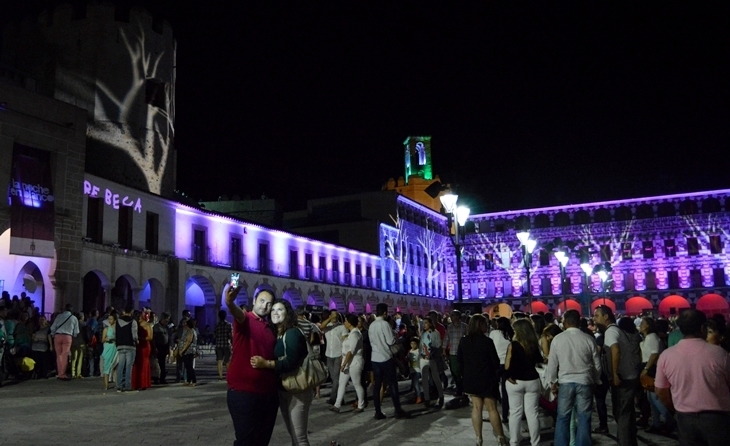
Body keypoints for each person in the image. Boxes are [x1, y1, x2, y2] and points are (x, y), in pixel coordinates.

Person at [655, 309, 730, 446]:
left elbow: (660, 391)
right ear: (703, 328)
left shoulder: (666, 356)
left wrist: (675, 409)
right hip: (717, 418)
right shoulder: (720, 354)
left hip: (685, 418)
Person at [251, 299, 311, 445]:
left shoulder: (292, 333)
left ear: (288, 313)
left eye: (280, 309)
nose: (275, 313)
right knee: (293, 434)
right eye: (273, 310)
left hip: (297, 389)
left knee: (299, 436)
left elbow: (291, 362)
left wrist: (266, 363)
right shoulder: (279, 333)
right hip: (285, 388)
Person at [225, 286, 278, 446]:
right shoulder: (246, 319)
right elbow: (238, 315)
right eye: (261, 301)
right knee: (246, 441)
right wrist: (229, 303)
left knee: (262, 441)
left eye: (269, 304)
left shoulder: (270, 328)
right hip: (244, 393)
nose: (264, 306)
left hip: (268, 394)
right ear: (254, 301)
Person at [545, 309, 602, 446]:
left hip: (565, 382)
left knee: (563, 417)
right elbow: (597, 364)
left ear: (564, 322)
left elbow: (552, 363)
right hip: (585, 380)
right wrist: (596, 379)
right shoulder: (588, 339)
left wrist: (552, 382)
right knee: (584, 417)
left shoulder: (558, 339)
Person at [594, 306, 641, 446]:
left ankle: (625, 442)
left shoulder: (611, 331)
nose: (594, 319)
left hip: (623, 379)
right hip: (629, 376)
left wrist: (614, 374)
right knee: (627, 413)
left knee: (622, 414)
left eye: (597, 316)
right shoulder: (616, 330)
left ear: (606, 317)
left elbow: (615, 349)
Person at [458, 314, 506, 446]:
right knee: (492, 408)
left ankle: (478, 438)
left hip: (471, 379)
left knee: (476, 408)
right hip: (487, 378)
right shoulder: (487, 341)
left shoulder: (464, 341)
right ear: (480, 325)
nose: (487, 326)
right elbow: (495, 362)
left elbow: (459, 361)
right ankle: (501, 437)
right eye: (485, 324)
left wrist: (465, 374)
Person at [504, 319, 542, 446]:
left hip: (515, 381)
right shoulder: (533, 344)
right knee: (532, 413)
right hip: (532, 380)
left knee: (515, 412)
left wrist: (508, 375)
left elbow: (507, 365)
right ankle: (535, 442)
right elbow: (539, 360)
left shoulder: (513, 345)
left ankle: (514, 441)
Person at [369, 303, 409, 420]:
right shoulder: (385, 324)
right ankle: (398, 409)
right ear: (385, 312)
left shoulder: (372, 325)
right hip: (386, 357)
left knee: (377, 386)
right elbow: (391, 341)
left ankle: (378, 411)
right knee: (392, 384)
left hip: (375, 358)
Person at [331, 313, 366, 413]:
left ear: (350, 323)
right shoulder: (351, 333)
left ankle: (361, 405)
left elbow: (351, 351)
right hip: (348, 362)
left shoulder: (355, 334)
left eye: (346, 321)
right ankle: (337, 405)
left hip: (354, 362)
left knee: (356, 384)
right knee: (342, 383)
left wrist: (344, 364)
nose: (344, 323)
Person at [321, 310, 348, 406]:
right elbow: (321, 327)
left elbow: (345, 341)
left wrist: (343, 355)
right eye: (333, 315)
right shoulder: (327, 326)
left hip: (338, 355)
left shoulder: (342, 327)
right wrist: (329, 318)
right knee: (333, 378)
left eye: (336, 315)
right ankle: (341, 398)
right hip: (329, 354)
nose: (334, 317)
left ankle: (333, 398)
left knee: (336, 378)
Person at [490, 316, 513, 421]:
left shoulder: (494, 333)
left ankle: (494, 411)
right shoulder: (511, 334)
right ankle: (505, 414)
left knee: (493, 388)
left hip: (496, 363)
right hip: (508, 363)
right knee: (505, 390)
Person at [49, 304, 79, 381]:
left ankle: (59, 373)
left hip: (58, 335)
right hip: (68, 337)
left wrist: (53, 334)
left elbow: (53, 327)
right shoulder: (74, 318)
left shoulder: (59, 316)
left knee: (59, 355)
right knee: (65, 355)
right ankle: (63, 373)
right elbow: (76, 332)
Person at [420, 318, 445, 408]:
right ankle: (427, 398)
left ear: (430, 324)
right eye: (423, 323)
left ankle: (441, 396)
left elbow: (438, 344)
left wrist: (432, 349)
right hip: (423, 358)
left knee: (436, 378)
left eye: (426, 323)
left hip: (433, 358)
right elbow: (421, 345)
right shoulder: (422, 333)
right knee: (424, 379)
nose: (424, 325)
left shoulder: (435, 333)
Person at [444, 310, 468, 397]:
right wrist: (444, 349)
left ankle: (464, 389)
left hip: (463, 352)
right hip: (453, 352)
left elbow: (468, 339)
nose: (452, 317)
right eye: (452, 315)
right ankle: (459, 388)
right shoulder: (449, 327)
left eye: (454, 315)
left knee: (463, 371)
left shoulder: (465, 326)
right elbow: (447, 338)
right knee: (454, 371)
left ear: (458, 316)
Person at [115, 305, 138, 393]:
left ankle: (119, 386)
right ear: (131, 312)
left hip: (120, 345)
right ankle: (128, 386)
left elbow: (115, 333)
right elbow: (134, 335)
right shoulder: (133, 322)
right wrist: (136, 341)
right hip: (130, 345)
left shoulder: (118, 321)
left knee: (121, 365)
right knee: (129, 366)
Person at [133, 309, 153, 390]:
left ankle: (143, 382)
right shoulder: (135, 324)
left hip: (144, 346)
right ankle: (136, 382)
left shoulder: (147, 325)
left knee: (144, 363)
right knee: (137, 363)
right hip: (137, 346)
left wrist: (141, 338)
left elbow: (150, 337)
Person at [101, 312, 118, 390]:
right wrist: (107, 339)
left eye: (111, 319)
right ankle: (106, 384)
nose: (109, 320)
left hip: (115, 347)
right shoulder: (106, 329)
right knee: (107, 366)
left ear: (115, 320)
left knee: (116, 365)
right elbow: (102, 340)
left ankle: (117, 383)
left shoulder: (117, 328)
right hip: (108, 347)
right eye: (109, 319)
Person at [214, 309, 233, 381]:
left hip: (218, 344)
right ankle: (228, 375)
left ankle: (220, 376)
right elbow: (231, 335)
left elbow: (214, 335)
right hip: (226, 344)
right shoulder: (229, 325)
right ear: (225, 316)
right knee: (227, 361)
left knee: (219, 360)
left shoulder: (217, 325)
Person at [178, 319, 198, 386]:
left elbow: (188, 342)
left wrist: (182, 350)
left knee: (190, 366)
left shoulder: (191, 331)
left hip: (189, 351)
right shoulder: (187, 331)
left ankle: (194, 381)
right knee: (187, 366)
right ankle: (189, 380)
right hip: (187, 351)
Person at [153, 312, 171, 384]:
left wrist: (169, 348)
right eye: (166, 320)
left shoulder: (167, 327)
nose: (167, 321)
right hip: (158, 346)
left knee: (163, 364)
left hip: (165, 347)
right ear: (163, 319)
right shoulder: (156, 327)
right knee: (156, 364)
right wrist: (155, 348)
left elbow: (169, 337)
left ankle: (162, 378)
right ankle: (156, 378)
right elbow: (154, 338)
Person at [408, 337, 423, 404]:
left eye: (414, 344)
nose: (413, 345)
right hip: (412, 370)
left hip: (418, 370)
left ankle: (419, 396)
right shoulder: (410, 351)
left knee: (416, 383)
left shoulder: (419, 351)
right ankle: (417, 395)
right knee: (414, 383)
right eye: (411, 344)